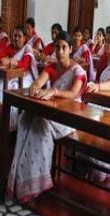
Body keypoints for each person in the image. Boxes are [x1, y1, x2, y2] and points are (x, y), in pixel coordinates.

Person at [7, 31, 87, 202]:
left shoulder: (77, 70)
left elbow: (73, 93)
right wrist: (35, 87)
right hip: (51, 111)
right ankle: (22, 178)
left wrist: (54, 91)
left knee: (39, 125)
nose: (60, 51)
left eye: (64, 47)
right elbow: (38, 82)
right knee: (25, 120)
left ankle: (36, 181)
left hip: (69, 116)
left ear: (70, 49)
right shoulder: (52, 66)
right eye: (57, 47)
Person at [0, 25, 38, 130]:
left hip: (24, 77)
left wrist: (10, 61)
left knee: (11, 88)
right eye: (14, 36)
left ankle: (10, 124)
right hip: (10, 75)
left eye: (19, 36)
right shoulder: (11, 47)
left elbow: (24, 65)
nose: (16, 38)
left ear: (25, 38)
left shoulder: (27, 49)